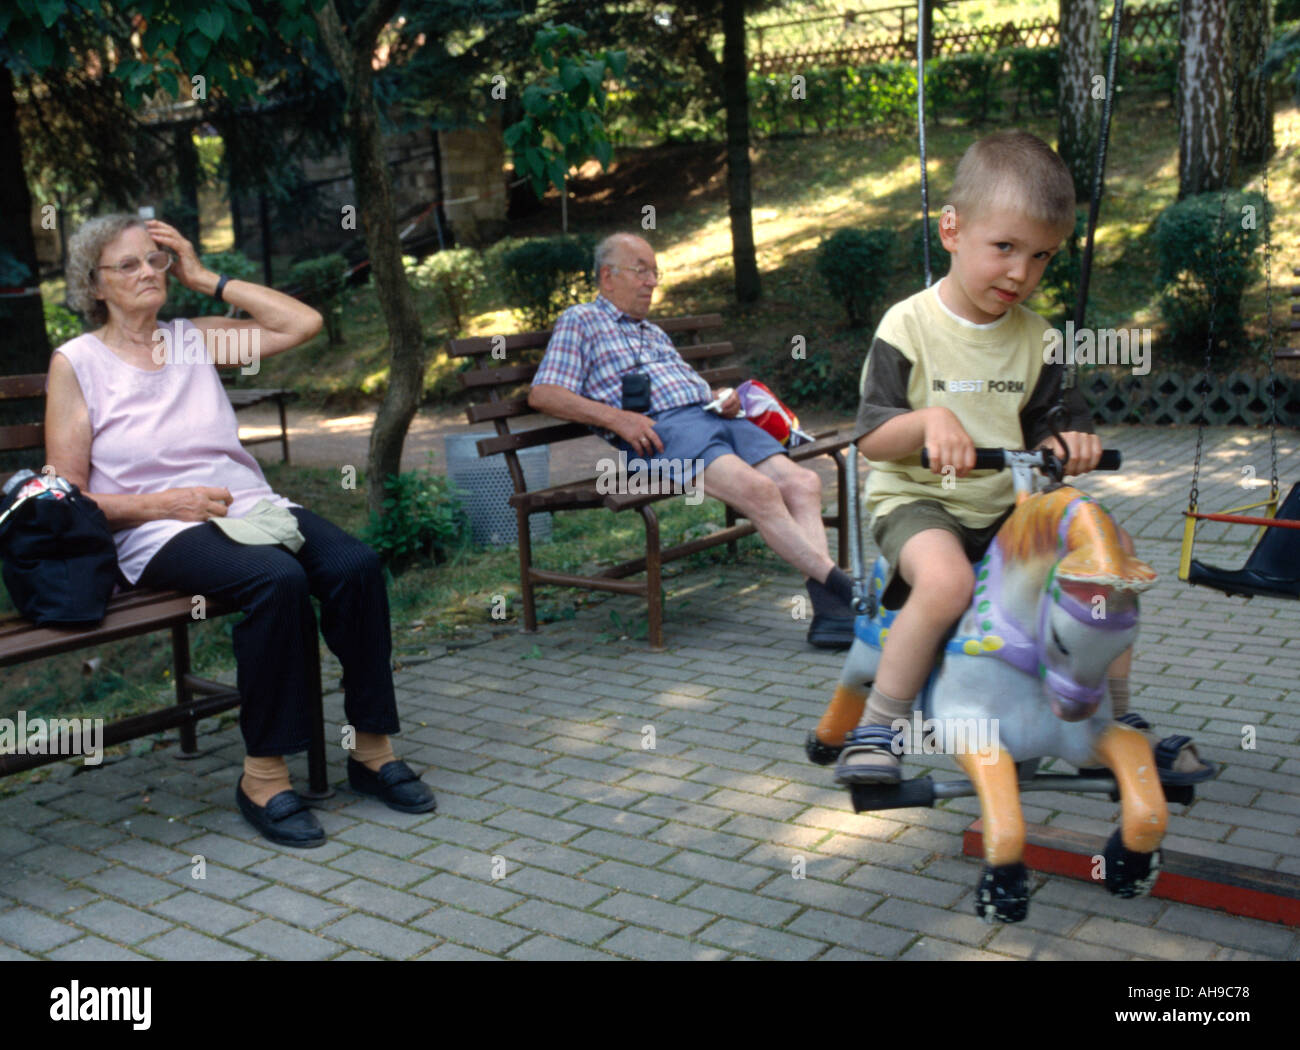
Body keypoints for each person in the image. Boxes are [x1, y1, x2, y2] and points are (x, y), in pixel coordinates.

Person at [45, 214, 436, 847]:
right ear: (93, 285)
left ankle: (371, 750)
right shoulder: (79, 362)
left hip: (247, 505)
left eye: (156, 260)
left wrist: (207, 276)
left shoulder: (194, 339)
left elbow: (301, 323)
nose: (148, 272)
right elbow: (66, 498)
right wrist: (164, 502)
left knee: (355, 565)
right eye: (128, 265)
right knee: (275, 580)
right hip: (158, 528)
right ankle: (264, 776)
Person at [839, 130, 1211, 783]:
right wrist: (930, 420)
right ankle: (878, 725)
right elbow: (871, 435)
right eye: (1004, 247)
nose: (1021, 272)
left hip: (1009, 508)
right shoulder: (909, 325)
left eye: (1041, 256)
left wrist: (1069, 446)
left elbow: (1052, 428)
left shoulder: (1039, 339)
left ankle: (1116, 716)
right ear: (952, 229)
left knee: (1110, 563)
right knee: (948, 581)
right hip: (920, 503)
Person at [528, 232, 856, 648]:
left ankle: (830, 613)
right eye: (641, 271)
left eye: (654, 272)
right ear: (607, 278)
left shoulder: (653, 332)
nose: (652, 281)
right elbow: (543, 393)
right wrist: (616, 419)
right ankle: (846, 590)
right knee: (759, 491)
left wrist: (723, 398)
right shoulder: (581, 321)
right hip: (664, 433)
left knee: (803, 483)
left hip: (713, 419)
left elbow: (692, 386)